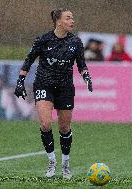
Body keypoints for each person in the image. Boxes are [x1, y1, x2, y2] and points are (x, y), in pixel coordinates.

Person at [14, 8, 93, 179]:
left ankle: (65, 163)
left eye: (72, 17)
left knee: (64, 127)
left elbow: (81, 64)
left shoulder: (76, 42)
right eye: (68, 18)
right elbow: (29, 60)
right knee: (45, 124)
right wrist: (20, 81)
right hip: (44, 84)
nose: (72, 20)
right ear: (58, 21)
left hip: (65, 87)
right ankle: (51, 161)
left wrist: (87, 77)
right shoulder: (43, 40)